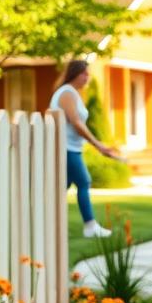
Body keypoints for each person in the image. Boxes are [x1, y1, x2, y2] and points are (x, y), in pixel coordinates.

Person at [50, 59, 124, 238]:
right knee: (84, 181)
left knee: (63, 187)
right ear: (74, 73)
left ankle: (49, 224)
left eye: (88, 74)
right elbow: (76, 123)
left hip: (72, 147)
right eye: (84, 73)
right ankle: (90, 226)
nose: (87, 77)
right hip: (66, 148)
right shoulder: (67, 92)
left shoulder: (72, 93)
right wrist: (98, 145)